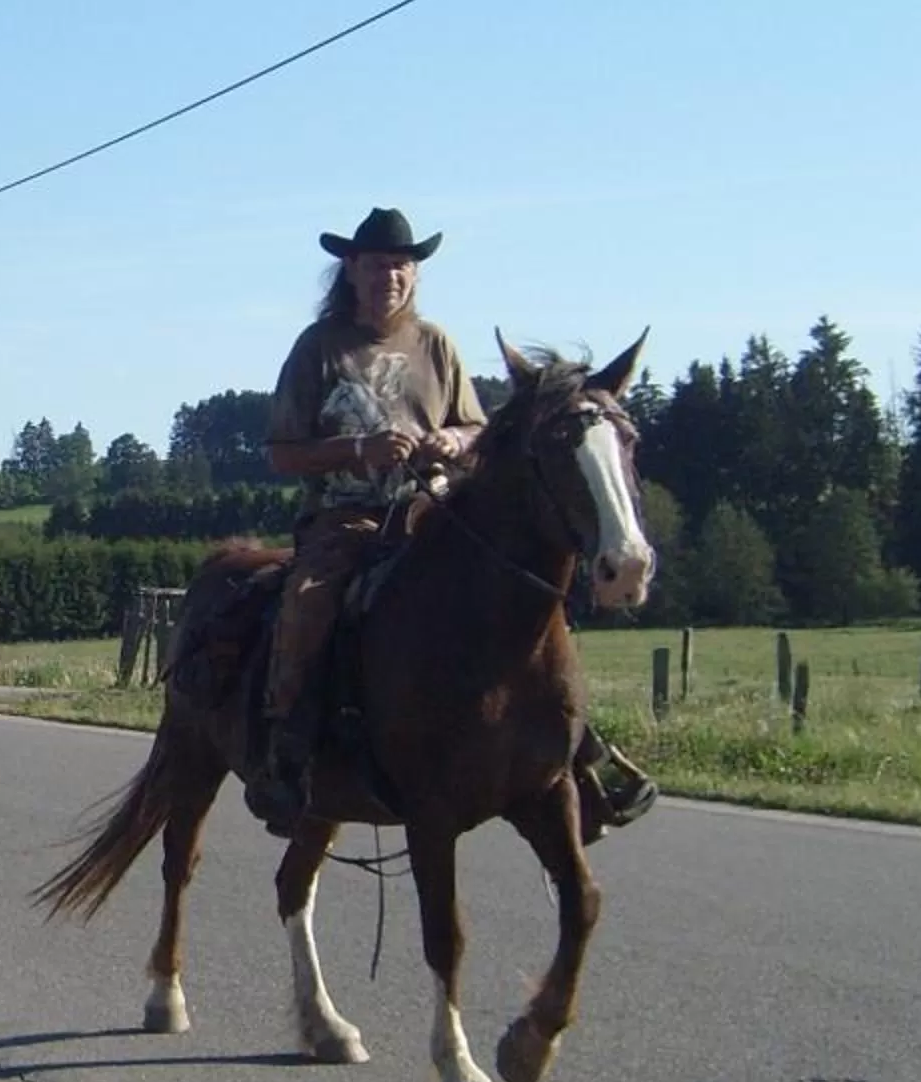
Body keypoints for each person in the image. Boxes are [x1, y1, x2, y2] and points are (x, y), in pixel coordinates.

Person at [249, 206, 657, 835]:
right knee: (310, 602)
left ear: (414, 275)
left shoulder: (436, 343)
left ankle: (573, 749)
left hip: (433, 510)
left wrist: (453, 442)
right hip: (346, 518)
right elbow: (281, 452)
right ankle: (289, 751)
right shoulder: (319, 347)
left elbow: (474, 426)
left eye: (402, 265)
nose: (391, 276)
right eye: (379, 264)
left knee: (520, 601)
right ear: (352, 270)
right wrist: (360, 451)